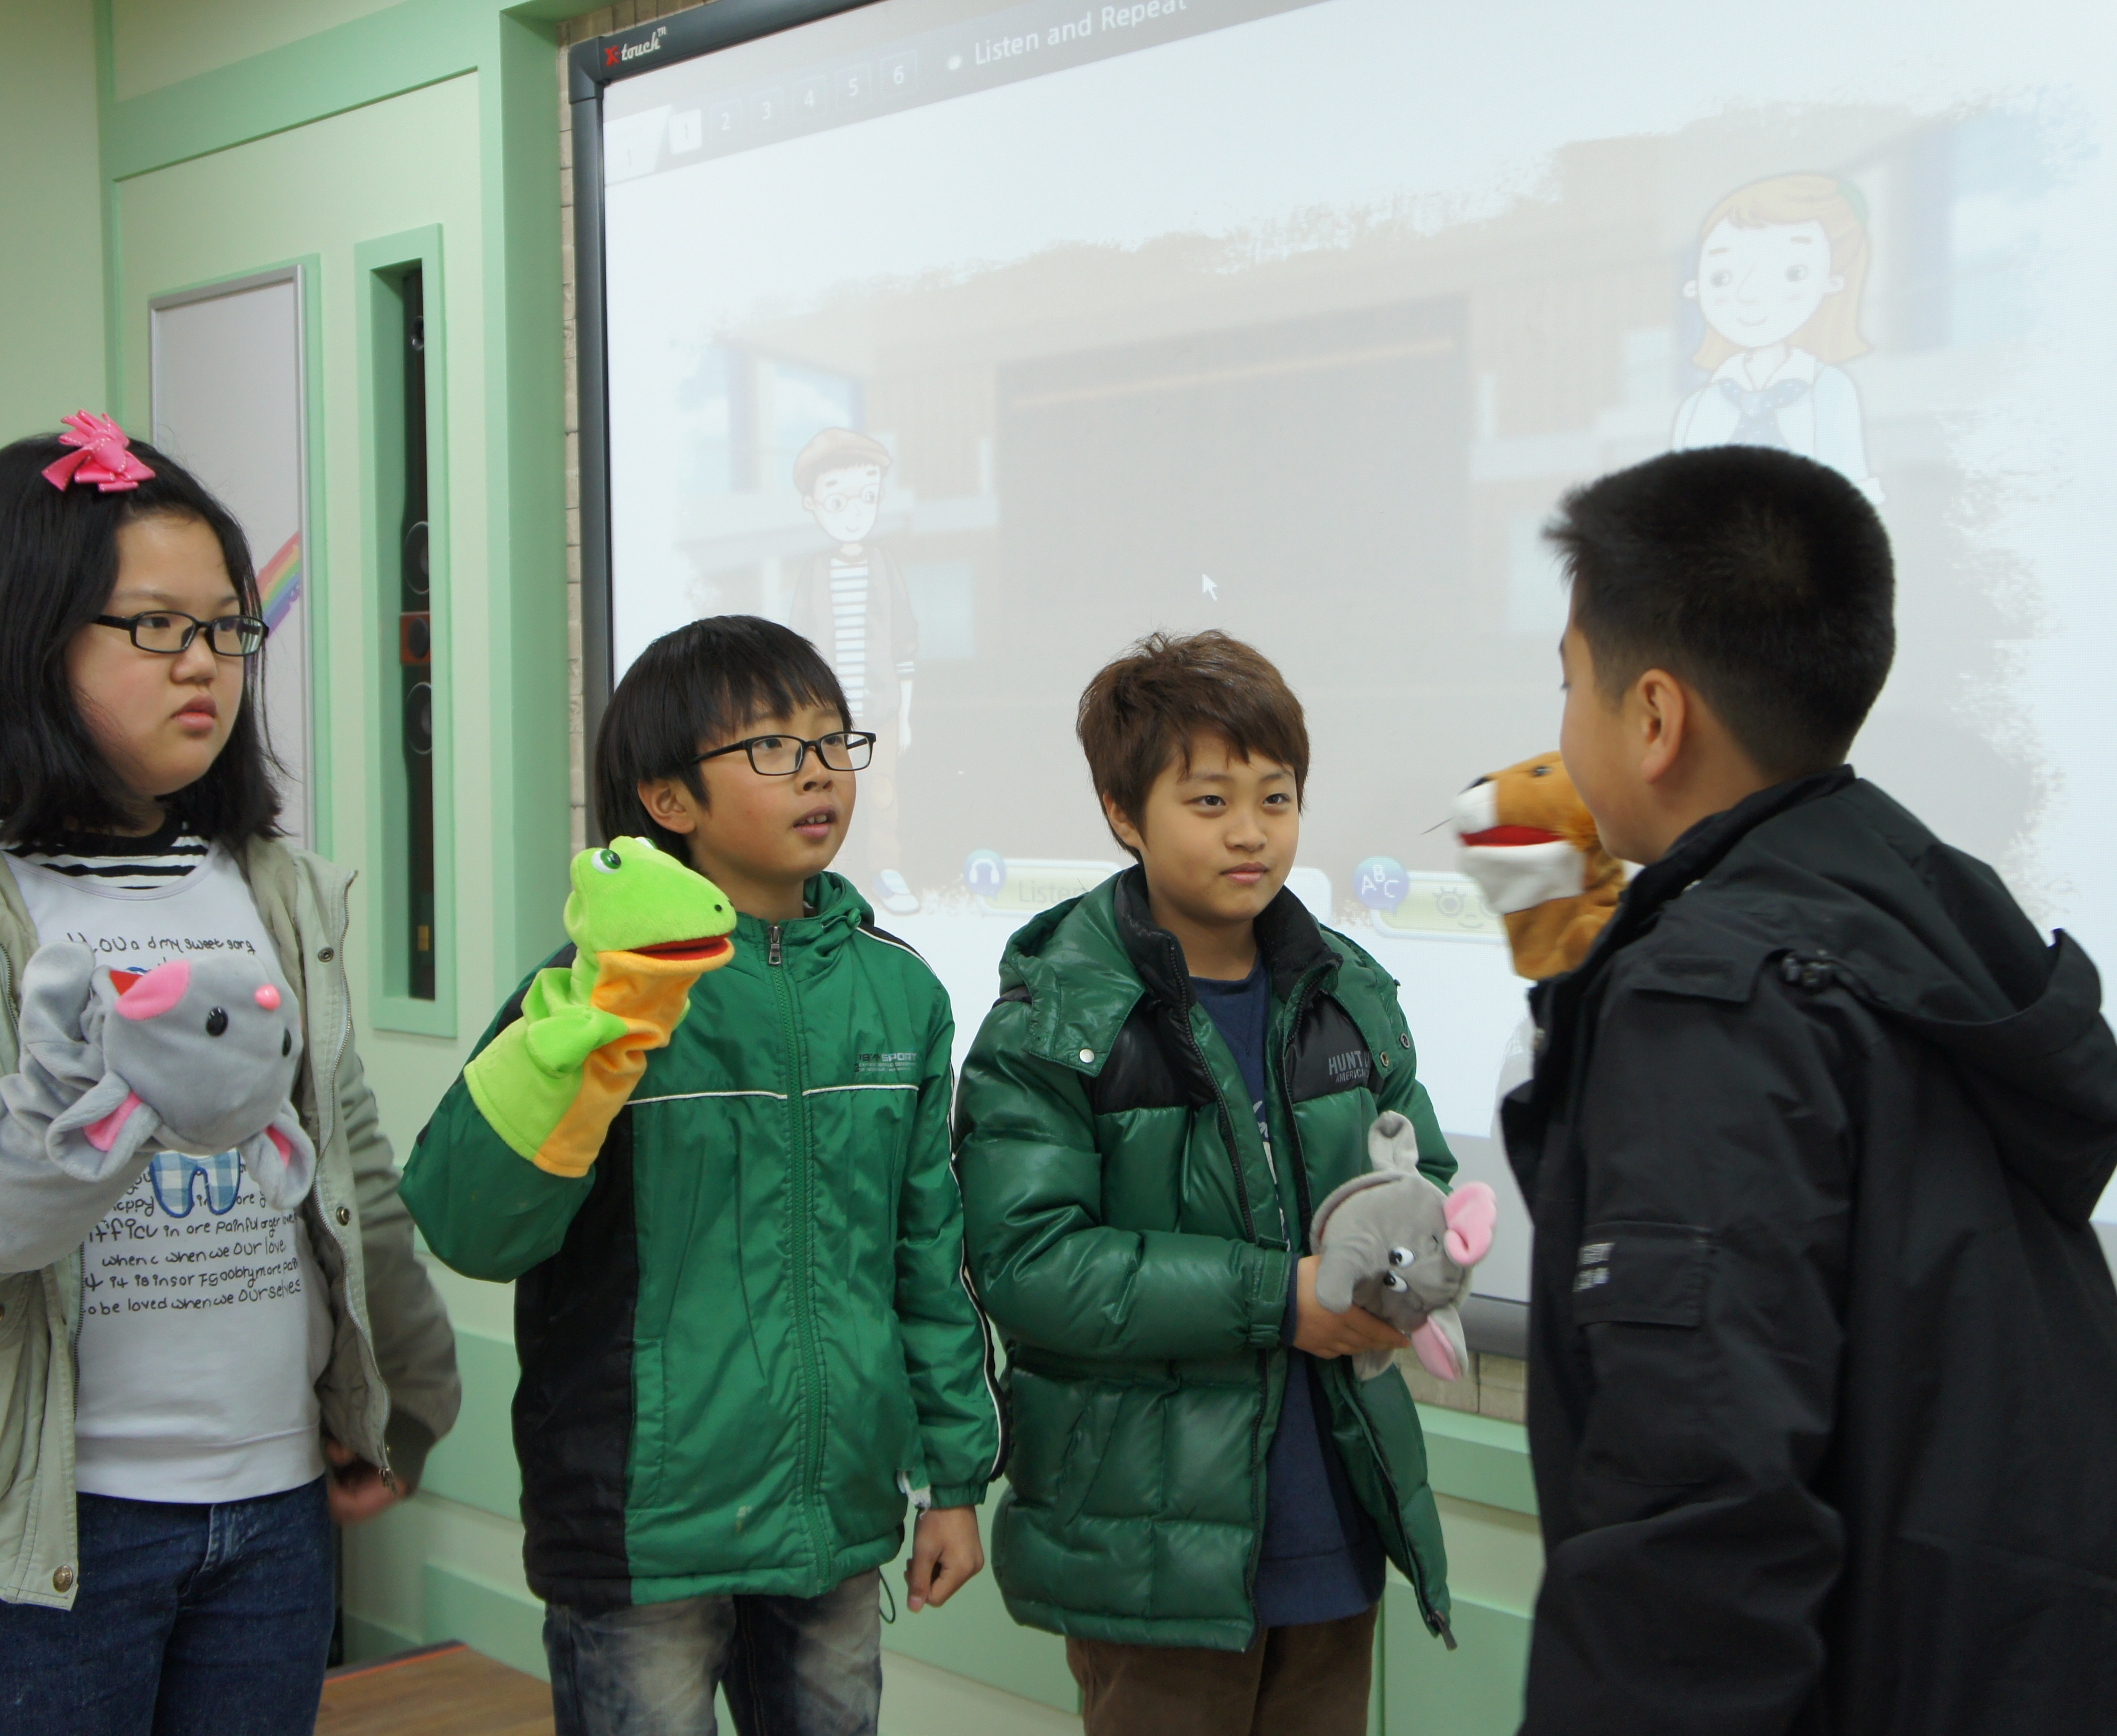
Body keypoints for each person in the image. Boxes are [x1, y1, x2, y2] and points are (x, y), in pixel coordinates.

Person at [1508, 445, 2117, 1732]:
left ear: (1656, 717)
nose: (1560, 724)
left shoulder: (1710, 996)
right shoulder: (1922, 903)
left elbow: (1695, 1521)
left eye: (1570, 683)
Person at [0, 415, 461, 1735]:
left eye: (228, 626)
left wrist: (404, 1395)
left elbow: (348, 1164)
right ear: (21, 635)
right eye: (155, 625)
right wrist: (39, 1150)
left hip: (268, 1520)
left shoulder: (271, 883)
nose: (206, 662)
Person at [401, 615, 1001, 1736]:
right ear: (668, 798)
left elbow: (929, 1260)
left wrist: (953, 1481)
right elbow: (469, 1221)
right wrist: (594, 1024)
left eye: (833, 739)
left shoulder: (899, 993)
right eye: (772, 746)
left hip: (832, 1523)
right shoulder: (605, 989)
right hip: (643, 1531)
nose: (818, 770)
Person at [956, 629, 1456, 1736]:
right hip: (1148, 1555)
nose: (1250, 831)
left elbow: (1419, 1171)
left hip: (1337, 1522)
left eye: (1276, 798)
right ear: (1122, 813)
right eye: (1210, 800)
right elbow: (1030, 1264)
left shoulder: (1348, 991)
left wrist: (1413, 1266)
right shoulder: (1054, 1020)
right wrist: (1282, 1299)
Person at [1669, 172, 1884, 504]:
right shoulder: (1699, 407)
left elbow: (1851, 493)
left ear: (1832, 281)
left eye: (1793, 273)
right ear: (1694, 288)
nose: (1749, 294)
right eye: (1722, 277)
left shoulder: (1830, 389)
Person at [787, 428, 921, 912]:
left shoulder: (885, 566)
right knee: (824, 795)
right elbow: (796, 647)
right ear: (812, 504)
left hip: (880, 711)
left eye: (867, 497)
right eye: (837, 501)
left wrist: (904, 716)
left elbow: (905, 644)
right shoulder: (814, 572)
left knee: (882, 793)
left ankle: (887, 869)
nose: (854, 513)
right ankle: (831, 877)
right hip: (824, 720)